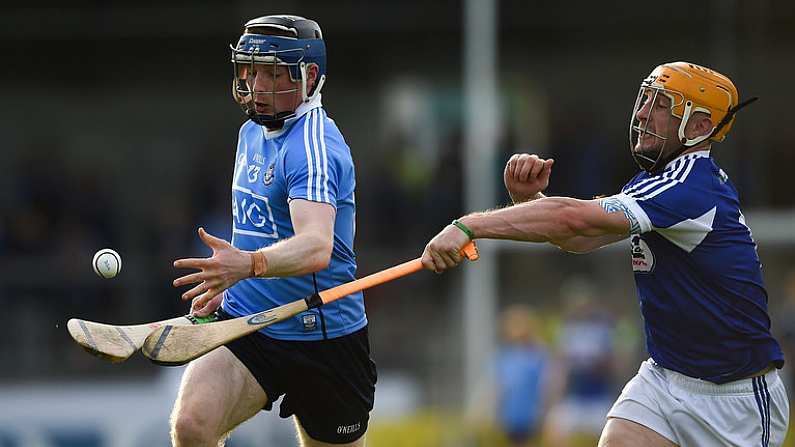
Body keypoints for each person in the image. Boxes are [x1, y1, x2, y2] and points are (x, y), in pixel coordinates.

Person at [421, 61, 789, 446]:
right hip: (664, 380)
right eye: (646, 99)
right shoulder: (654, 182)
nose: (644, 113)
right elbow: (580, 240)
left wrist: (468, 226)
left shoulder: (690, 187)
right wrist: (529, 202)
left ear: (699, 127)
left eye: (663, 105)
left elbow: (573, 221)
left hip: (735, 399)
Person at [168, 15, 375, 447]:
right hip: (249, 324)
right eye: (252, 70)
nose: (258, 85)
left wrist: (247, 265)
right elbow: (261, 227)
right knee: (192, 424)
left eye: (274, 73)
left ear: (309, 76)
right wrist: (235, 281)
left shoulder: (314, 146)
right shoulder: (251, 132)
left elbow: (317, 248)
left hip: (323, 335)